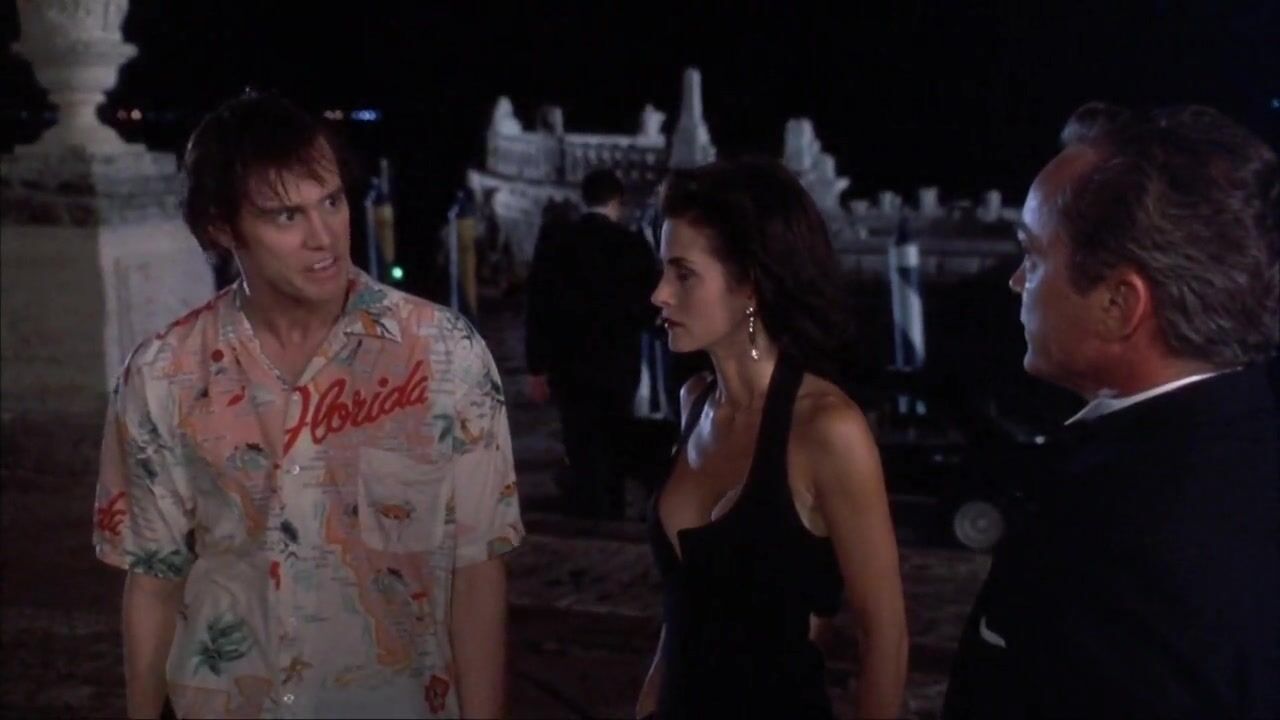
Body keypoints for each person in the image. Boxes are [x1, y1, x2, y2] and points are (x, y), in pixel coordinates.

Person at [91, 92, 524, 719]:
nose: (323, 237)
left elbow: (477, 571)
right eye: (286, 215)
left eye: (332, 202)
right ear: (221, 227)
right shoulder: (163, 373)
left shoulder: (446, 354)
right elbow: (154, 580)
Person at [944, 102, 1280, 718]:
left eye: (1034, 256)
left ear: (1120, 305)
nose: (1016, 282)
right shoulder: (1247, 447)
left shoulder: (1123, 541)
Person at [636, 158, 909, 719]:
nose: (659, 293)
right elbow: (686, 605)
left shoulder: (826, 430)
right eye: (663, 270)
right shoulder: (693, 402)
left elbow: (885, 637)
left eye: (683, 274)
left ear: (751, 285)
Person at [524, 169, 660, 520]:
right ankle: (611, 500)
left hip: (569, 359)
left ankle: (586, 501)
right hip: (618, 356)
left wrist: (537, 366)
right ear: (617, 201)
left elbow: (538, 306)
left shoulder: (557, 243)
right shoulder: (631, 245)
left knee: (578, 430)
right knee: (615, 428)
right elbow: (651, 304)